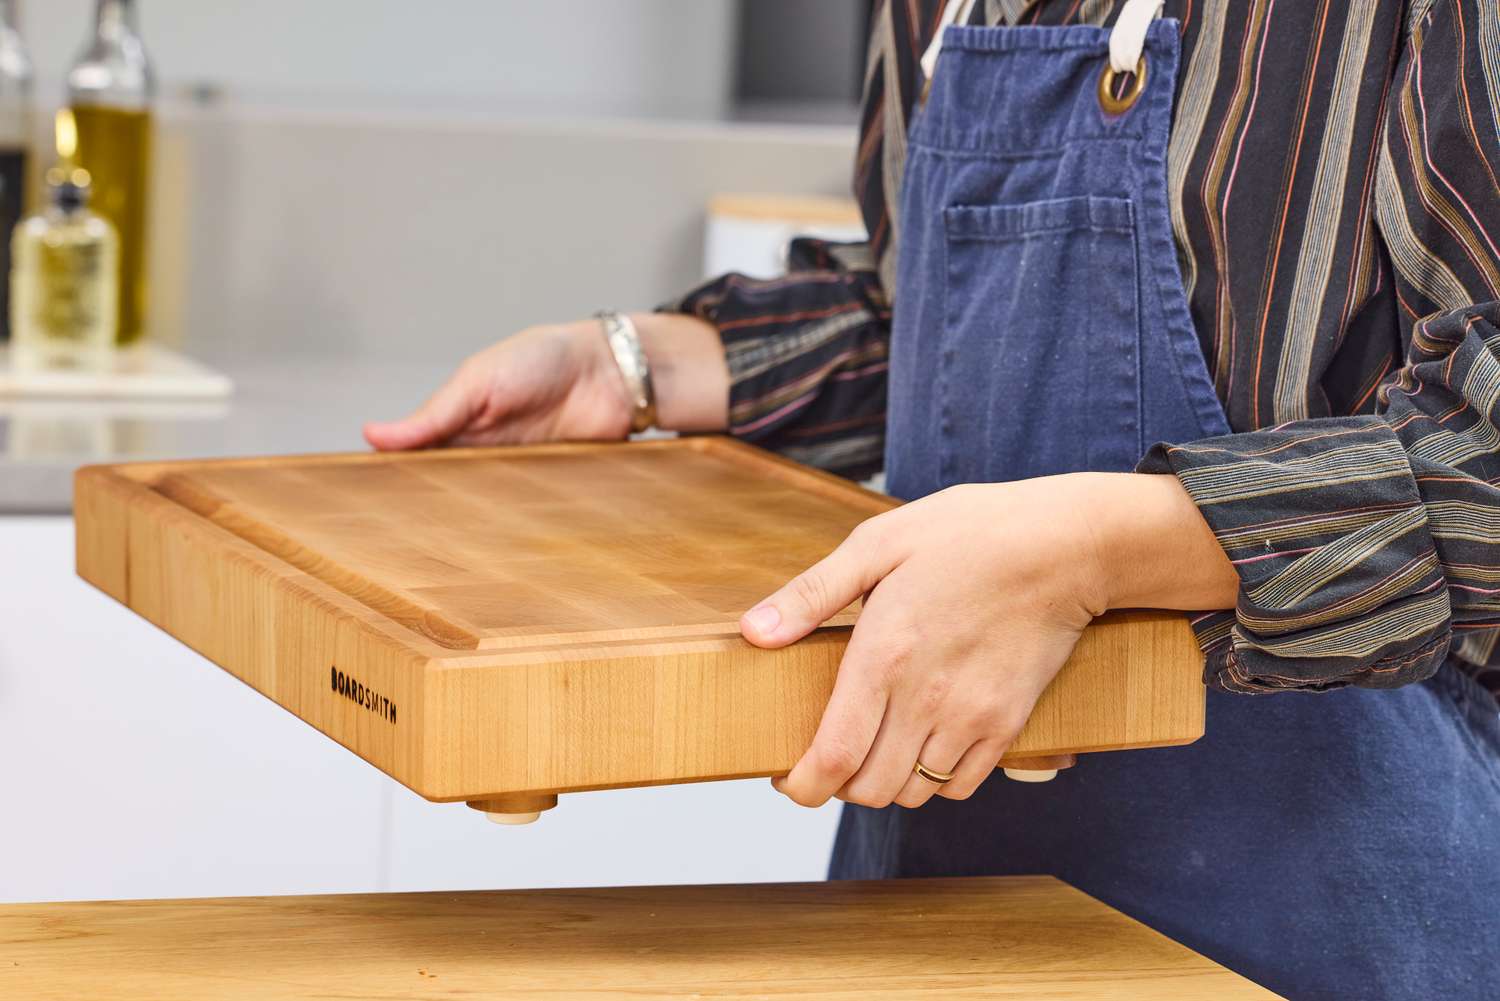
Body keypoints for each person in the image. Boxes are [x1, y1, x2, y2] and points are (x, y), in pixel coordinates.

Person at [364, 2, 1500, 997]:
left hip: (1327, 897)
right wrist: (638, 364)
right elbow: (944, 323)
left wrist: (1099, 550)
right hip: (942, 891)